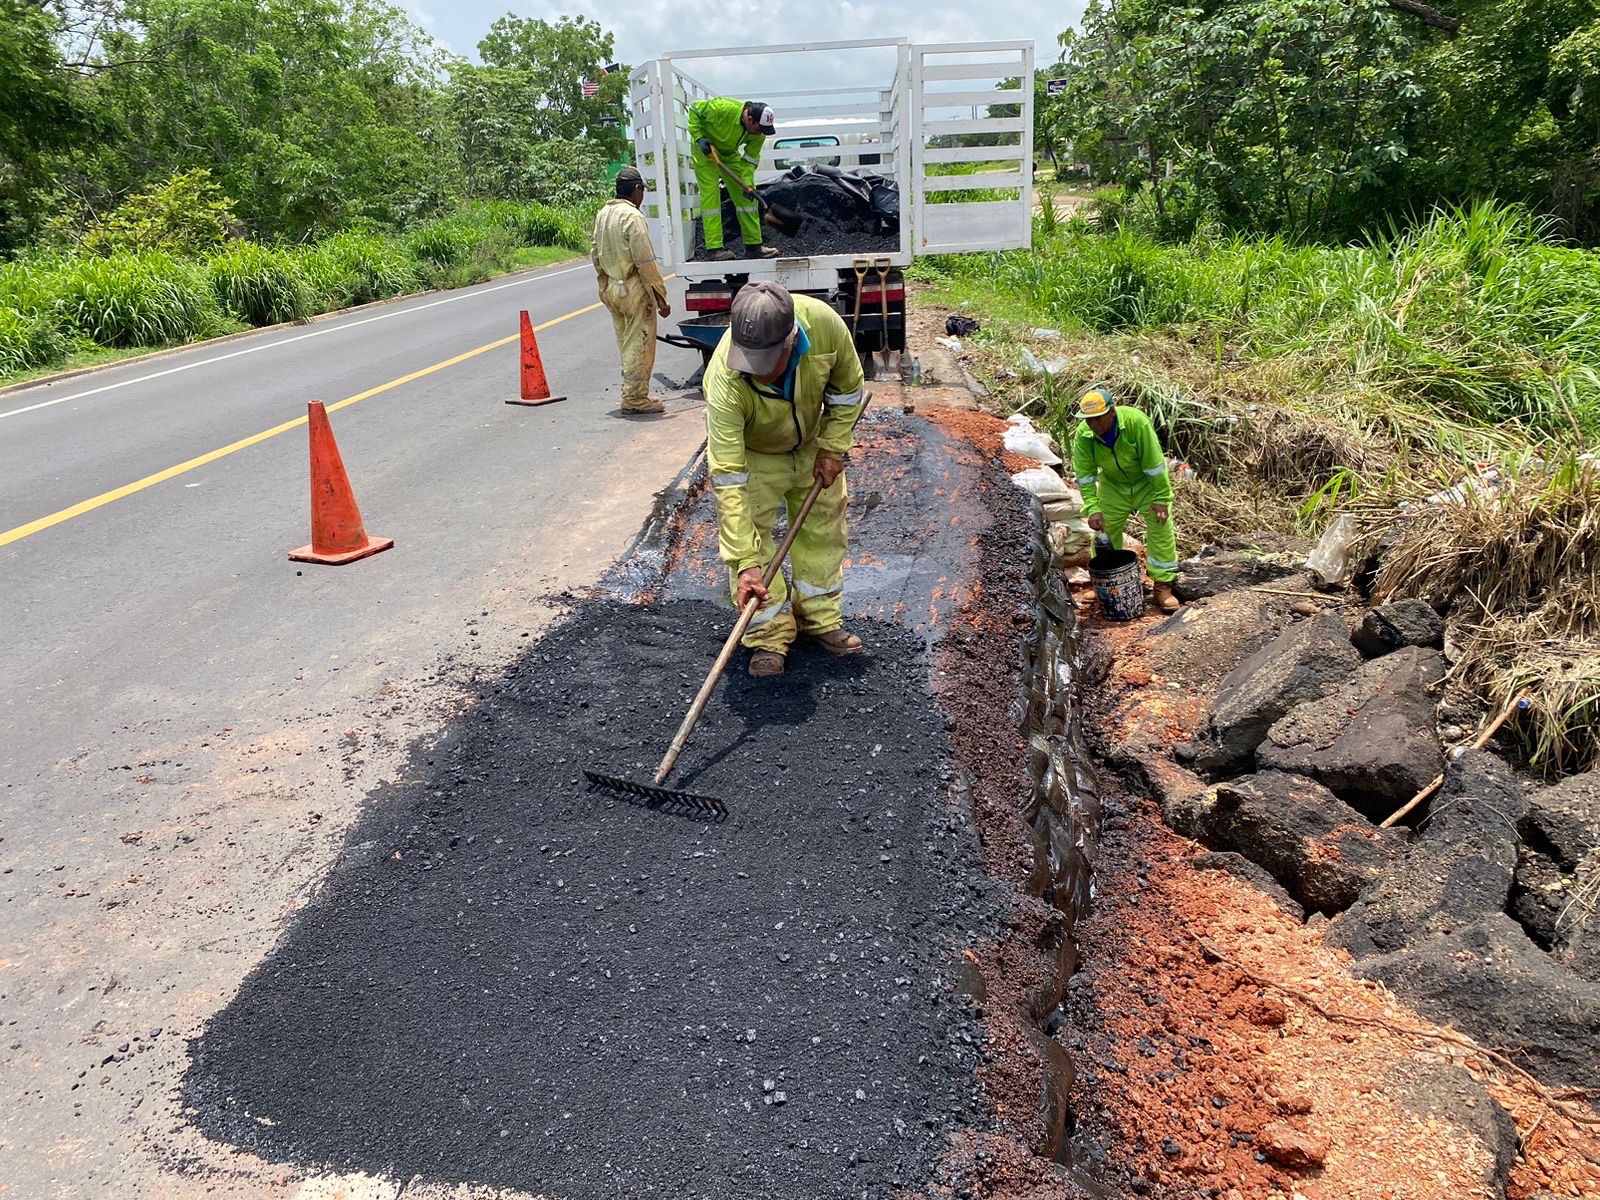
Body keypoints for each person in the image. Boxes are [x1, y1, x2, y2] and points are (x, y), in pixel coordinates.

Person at [704, 282, 866, 676]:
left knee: (824, 531)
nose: (755, 372)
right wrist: (745, 563)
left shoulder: (826, 326)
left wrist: (832, 447)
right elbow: (727, 475)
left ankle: (819, 620)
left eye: (764, 363)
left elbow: (848, 391)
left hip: (813, 443)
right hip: (756, 454)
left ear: (791, 341)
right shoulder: (725, 378)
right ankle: (767, 634)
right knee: (753, 543)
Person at [1071, 385, 1182, 612]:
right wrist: (1092, 507)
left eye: (1098, 419)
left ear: (1112, 411)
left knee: (1160, 528)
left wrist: (1161, 497)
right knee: (1105, 531)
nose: (1093, 425)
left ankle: (1162, 585)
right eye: (1088, 420)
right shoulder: (1084, 435)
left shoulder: (1135, 422)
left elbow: (1154, 465)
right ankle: (1105, 582)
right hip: (1113, 485)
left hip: (1146, 484)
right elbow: (1085, 476)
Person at [591, 166, 671, 416]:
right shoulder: (633, 217)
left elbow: (595, 254)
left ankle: (633, 393)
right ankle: (635, 400)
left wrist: (604, 285)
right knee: (640, 345)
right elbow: (645, 262)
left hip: (612, 288)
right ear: (636, 190)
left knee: (625, 344)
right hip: (634, 290)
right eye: (642, 191)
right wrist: (661, 298)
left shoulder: (603, 213)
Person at [688, 97, 779, 262]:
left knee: (747, 199)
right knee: (711, 196)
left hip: (729, 154)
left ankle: (754, 246)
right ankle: (714, 249)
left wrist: (747, 184)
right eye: (760, 129)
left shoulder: (759, 133)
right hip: (706, 150)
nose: (761, 134)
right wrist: (699, 137)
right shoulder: (723, 108)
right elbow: (694, 109)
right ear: (750, 119)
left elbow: (750, 159)